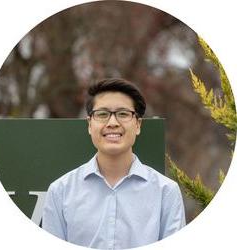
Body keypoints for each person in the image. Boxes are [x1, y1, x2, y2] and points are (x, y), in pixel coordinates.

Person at [42, 78, 186, 249]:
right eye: (102, 114)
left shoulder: (166, 193)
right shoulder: (60, 192)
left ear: (138, 125)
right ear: (89, 124)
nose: (112, 123)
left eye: (123, 114)